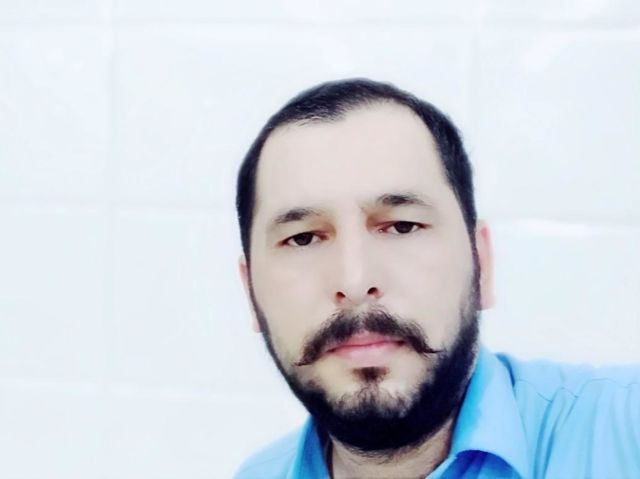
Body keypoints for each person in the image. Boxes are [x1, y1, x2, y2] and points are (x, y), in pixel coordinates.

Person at [233, 78, 640, 479]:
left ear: (481, 263)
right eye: (302, 238)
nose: (355, 282)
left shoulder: (625, 427)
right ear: (251, 292)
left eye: (403, 226)